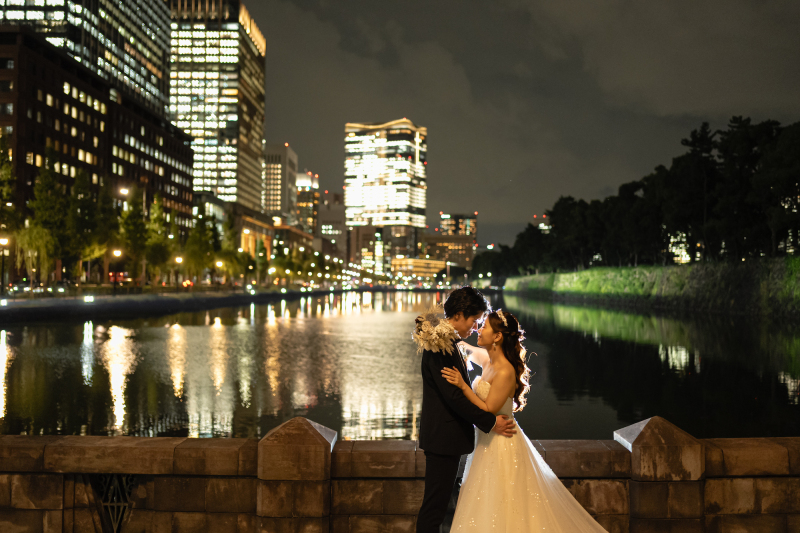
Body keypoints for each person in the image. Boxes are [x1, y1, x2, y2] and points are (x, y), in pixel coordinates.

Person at [441, 308, 609, 531]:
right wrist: (445, 333)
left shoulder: (505, 371)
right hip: (484, 442)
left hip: (501, 442)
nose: (478, 329)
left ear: (498, 337)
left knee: (505, 503)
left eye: (484, 327)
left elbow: (488, 408)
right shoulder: (489, 360)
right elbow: (466, 349)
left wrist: (463, 385)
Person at [414, 287, 517, 533]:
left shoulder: (451, 342)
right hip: (442, 440)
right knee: (434, 509)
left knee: (444, 508)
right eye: (474, 320)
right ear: (459, 315)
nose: (475, 327)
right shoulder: (438, 346)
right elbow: (454, 399)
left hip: (447, 439)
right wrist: (491, 423)